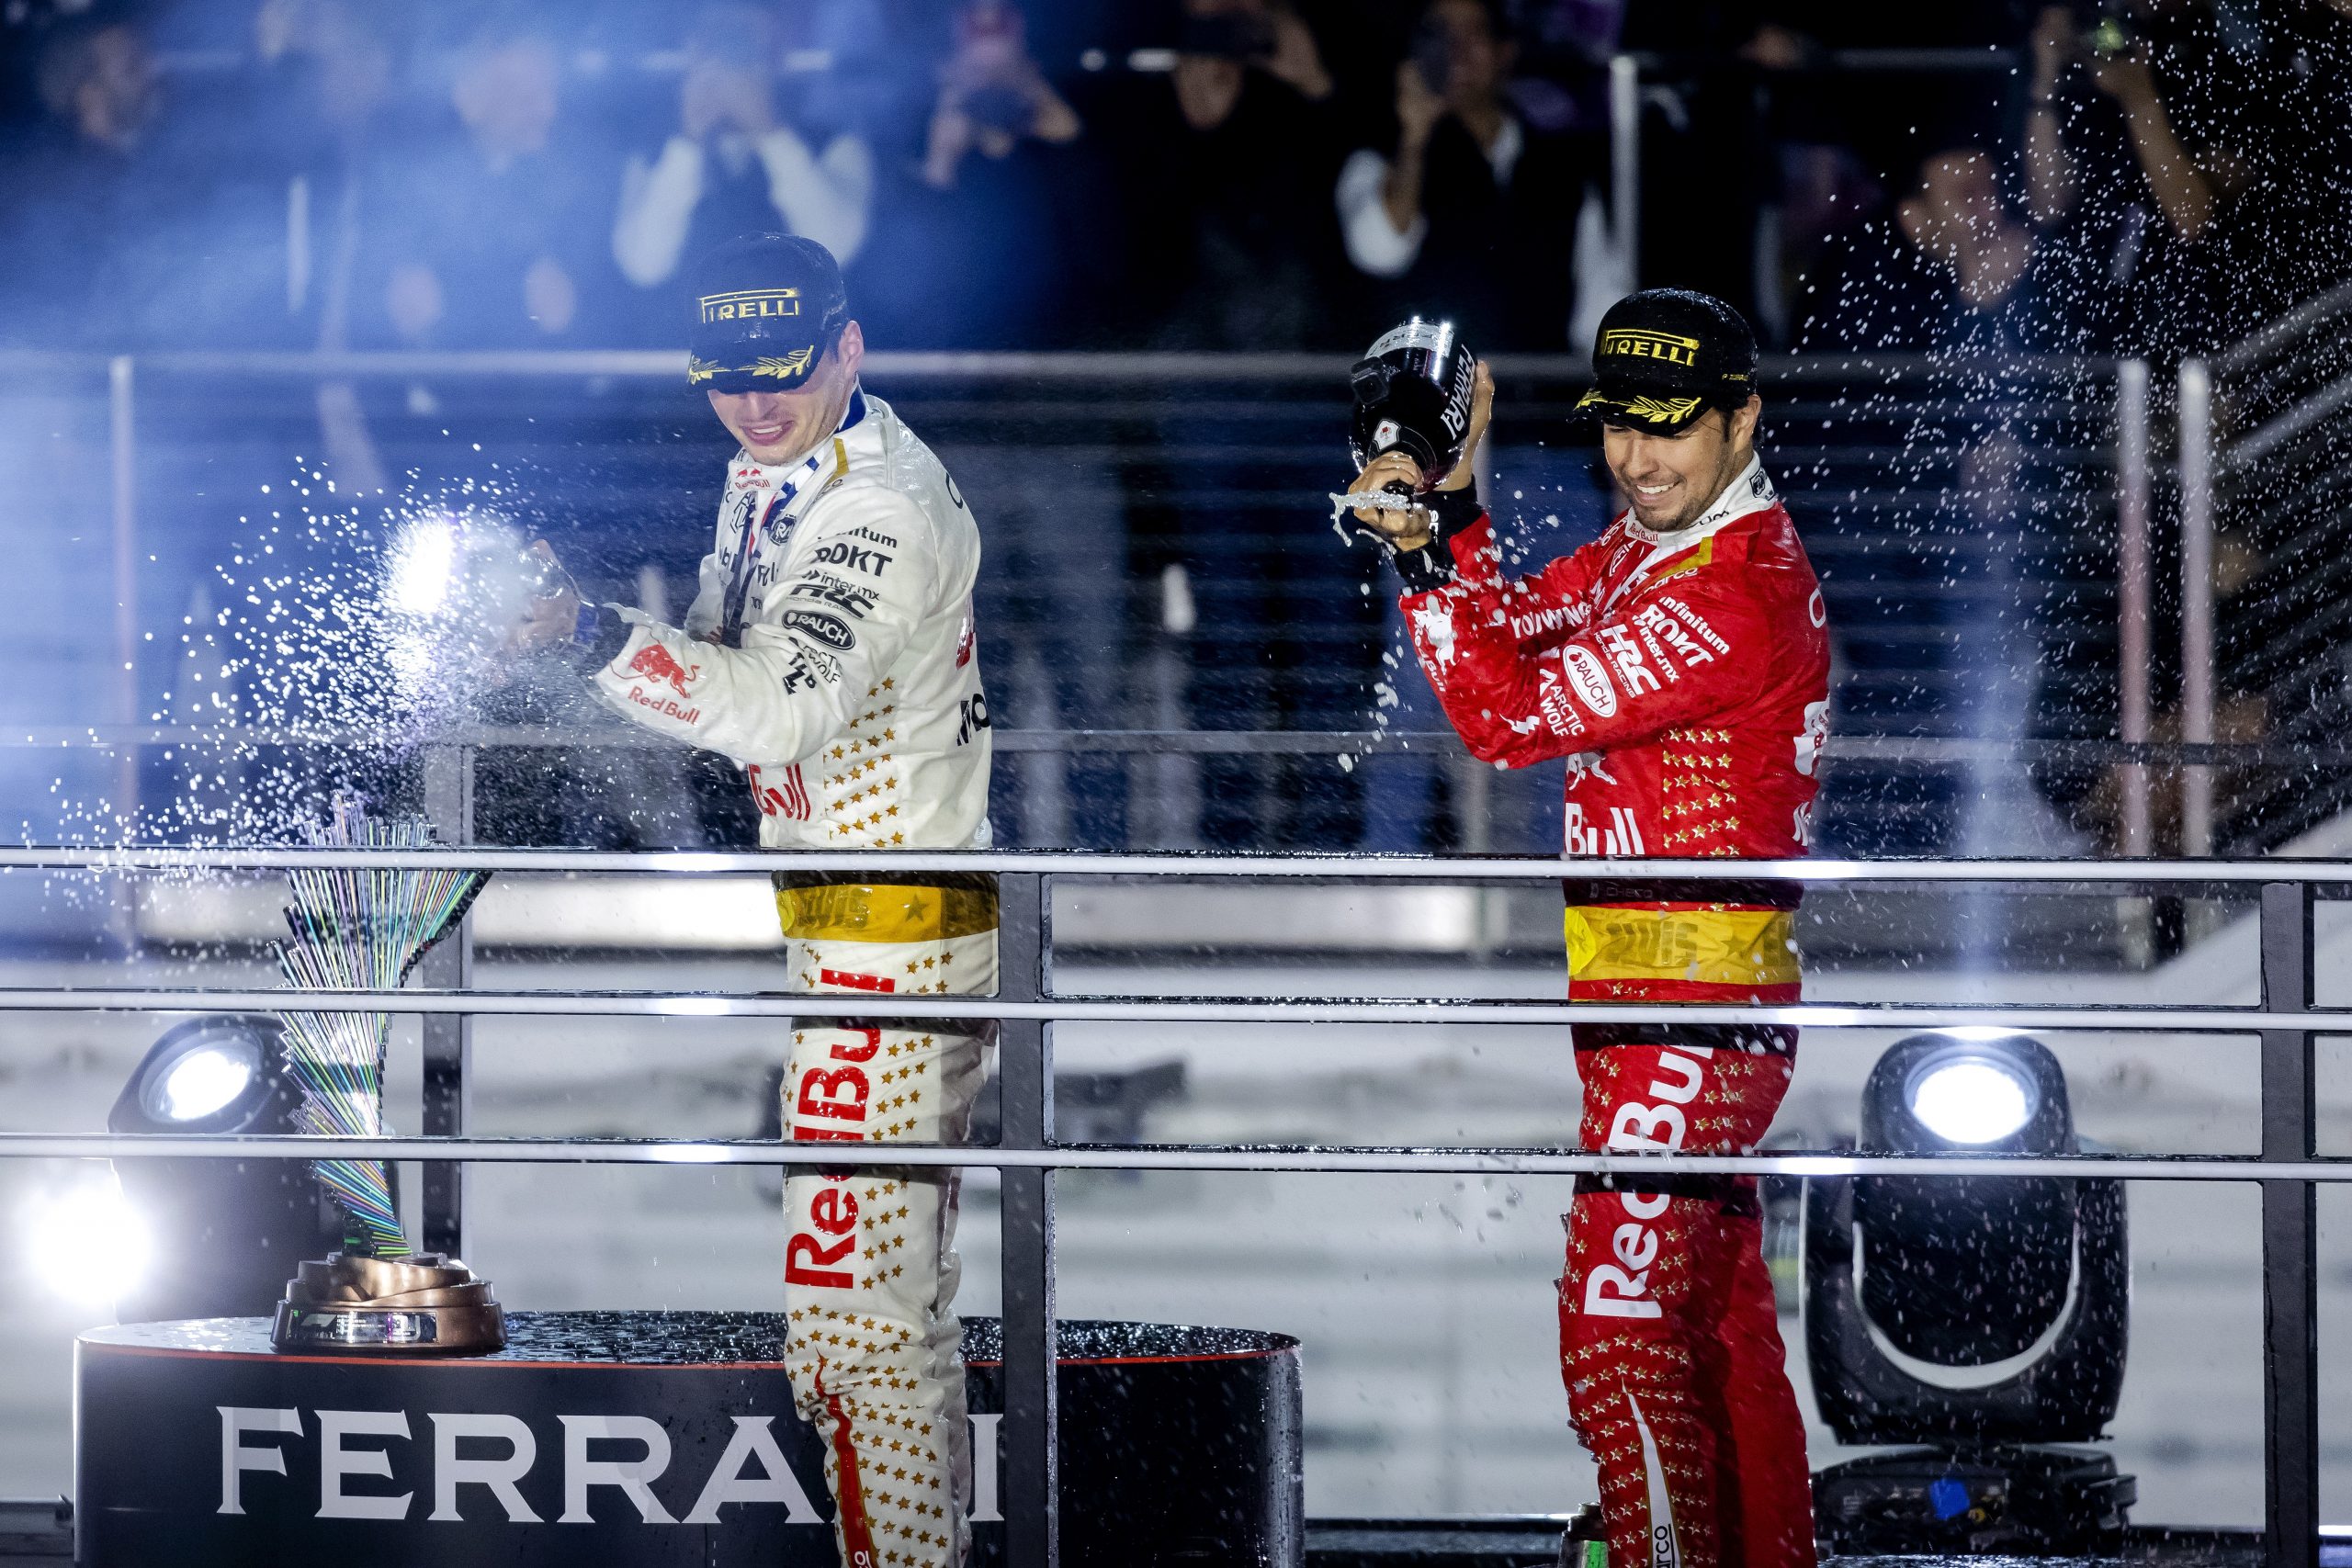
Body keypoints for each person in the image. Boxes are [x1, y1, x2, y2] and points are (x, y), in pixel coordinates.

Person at [507, 233, 994, 1568]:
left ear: (851, 348)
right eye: (728, 377)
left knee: (854, 1332)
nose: (755, 404)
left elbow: (775, 705)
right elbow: (735, 666)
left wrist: (589, 633)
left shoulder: (879, 502)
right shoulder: (778, 465)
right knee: (869, 1327)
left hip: (894, 947)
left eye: (783, 373)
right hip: (853, 936)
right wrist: (580, 622)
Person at [1344, 289, 1826, 1568]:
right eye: (1620, 426)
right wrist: (1445, 498)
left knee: (1615, 1325)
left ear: (1742, 420)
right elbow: (1503, 630)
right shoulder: (1645, 550)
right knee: (1717, 1324)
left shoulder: (1732, 594)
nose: (1637, 459)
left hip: (1693, 1018)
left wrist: (1415, 550)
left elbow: (1505, 719)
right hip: (1652, 1008)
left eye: (1672, 430)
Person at [1334, 0, 1592, 350]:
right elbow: (1378, 251)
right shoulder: (1378, 153)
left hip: (1534, 396)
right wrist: (1414, 140)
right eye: (1439, 33)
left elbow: (1599, 313)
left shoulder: (1562, 171)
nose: (1457, 51)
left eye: (1474, 33)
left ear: (1505, 52)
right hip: (1422, 395)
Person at [611, 4, 878, 298]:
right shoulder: (653, 152)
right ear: (693, 52)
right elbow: (644, 264)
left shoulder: (833, 145)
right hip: (687, 340)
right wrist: (687, 145)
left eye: (743, 42)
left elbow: (835, 251)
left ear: (778, 54)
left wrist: (772, 135)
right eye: (716, 40)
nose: (729, 62)